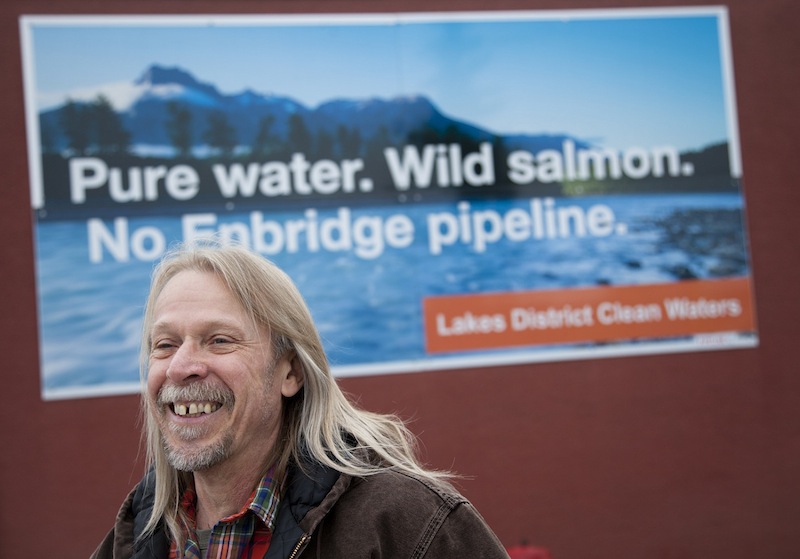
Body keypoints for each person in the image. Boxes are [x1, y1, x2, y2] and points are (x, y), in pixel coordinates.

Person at [92, 242, 509, 559]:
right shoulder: (136, 535)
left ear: (290, 372)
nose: (181, 366)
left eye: (219, 340)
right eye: (164, 345)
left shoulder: (406, 523)